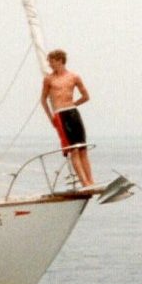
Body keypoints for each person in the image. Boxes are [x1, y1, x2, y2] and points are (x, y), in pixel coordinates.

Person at [40, 49, 95, 187]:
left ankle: (91, 181)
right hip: (60, 114)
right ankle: (84, 182)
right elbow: (43, 99)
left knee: (82, 148)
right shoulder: (49, 79)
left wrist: (74, 104)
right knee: (73, 150)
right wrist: (51, 117)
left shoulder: (74, 77)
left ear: (60, 60)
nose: (50, 65)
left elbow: (86, 96)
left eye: (51, 61)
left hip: (73, 112)